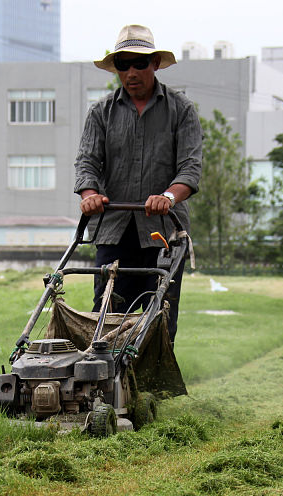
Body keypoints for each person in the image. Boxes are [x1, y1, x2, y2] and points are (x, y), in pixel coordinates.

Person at [74, 24, 203, 342]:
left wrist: (168, 197)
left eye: (139, 63)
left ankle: (155, 388)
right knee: (105, 314)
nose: (131, 72)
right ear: (116, 68)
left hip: (163, 233)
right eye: (123, 64)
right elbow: (87, 162)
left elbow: (190, 168)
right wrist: (90, 194)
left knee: (160, 315)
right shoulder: (100, 113)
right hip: (112, 229)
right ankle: (104, 384)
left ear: (155, 64)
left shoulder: (181, 110)